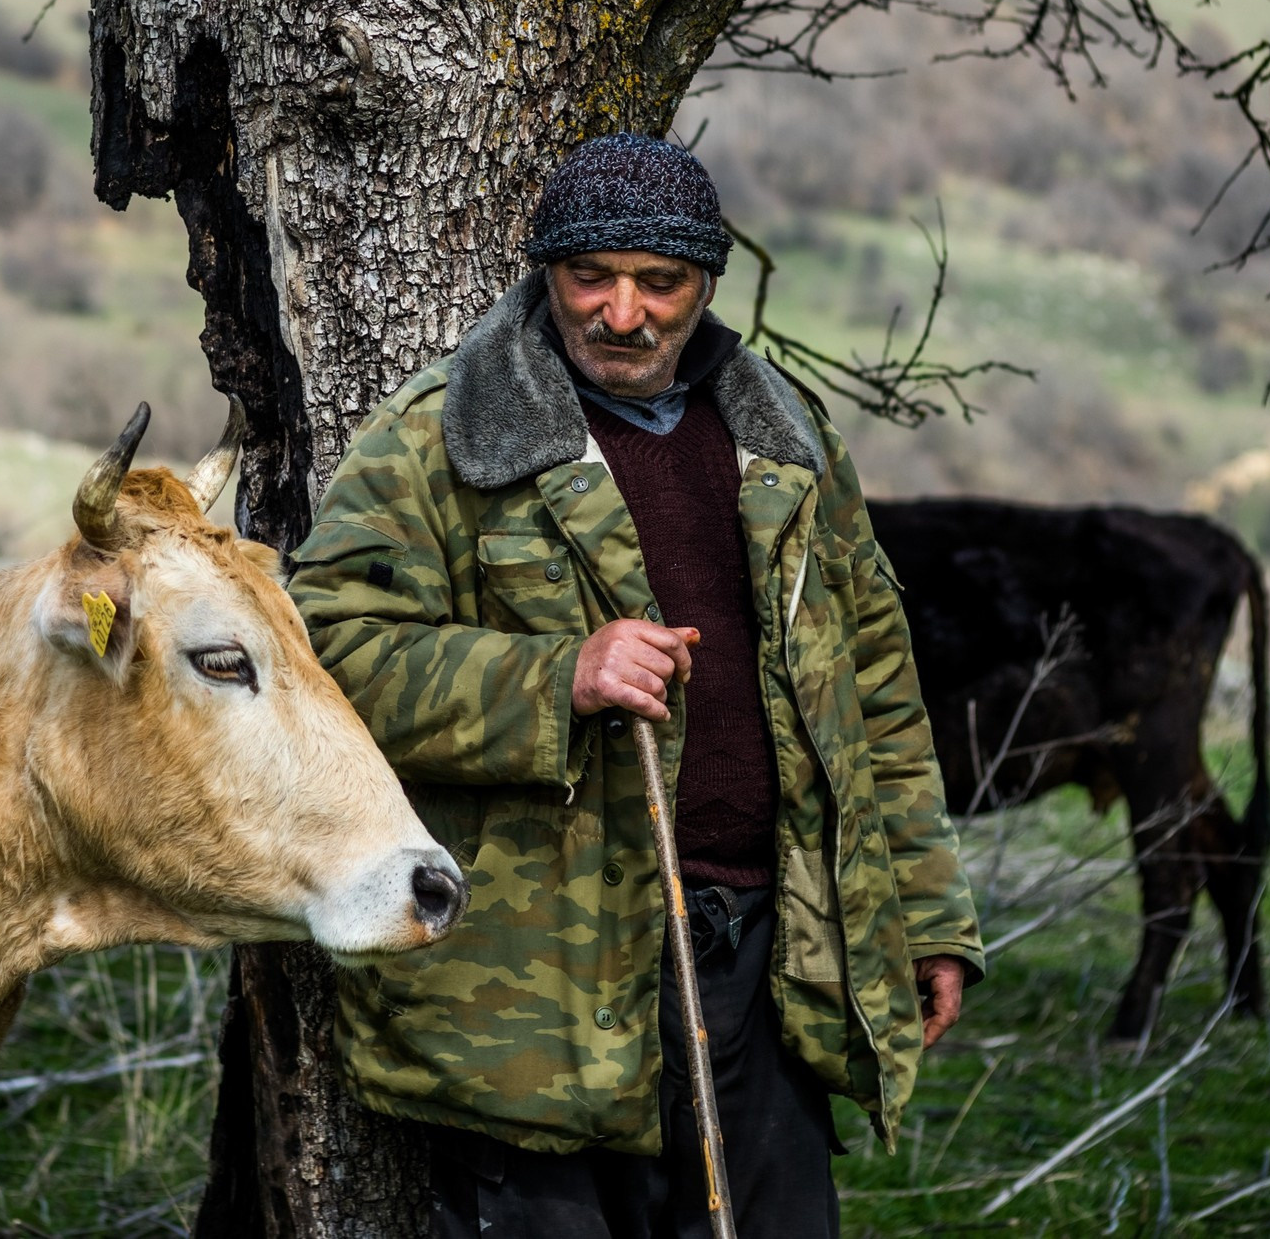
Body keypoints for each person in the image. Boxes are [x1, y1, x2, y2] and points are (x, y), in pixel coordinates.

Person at [286, 133, 985, 1238]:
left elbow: (876, 692)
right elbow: (324, 661)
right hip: (535, 989)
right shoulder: (439, 437)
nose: (622, 314)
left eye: (658, 282)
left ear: (704, 283)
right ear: (546, 273)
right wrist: (554, 675)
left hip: (767, 959)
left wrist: (928, 915)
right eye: (590, 278)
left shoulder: (784, 441)